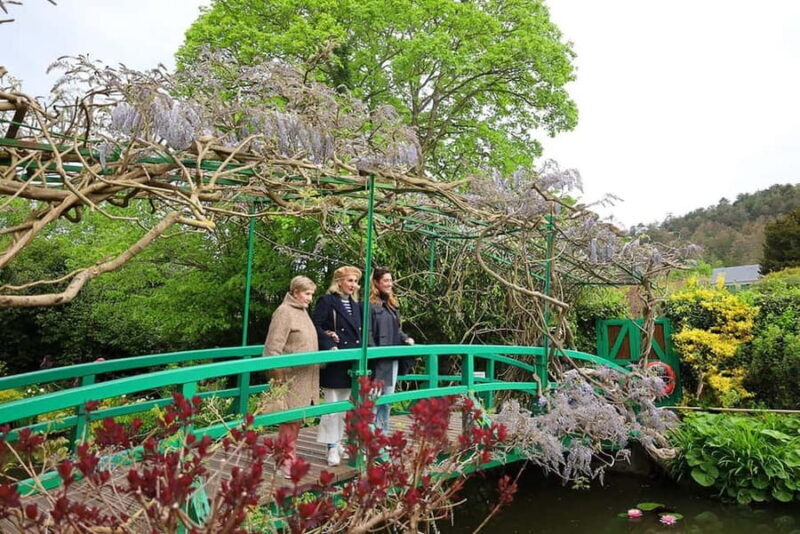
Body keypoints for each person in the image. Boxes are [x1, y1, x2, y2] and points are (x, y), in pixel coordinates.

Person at [263, 275, 319, 477]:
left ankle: (289, 455)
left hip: (305, 377)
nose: (310, 298)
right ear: (295, 292)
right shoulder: (284, 312)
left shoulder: (303, 312)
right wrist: (278, 380)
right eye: (307, 294)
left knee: (296, 420)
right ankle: (283, 461)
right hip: (289, 378)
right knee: (288, 421)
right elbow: (272, 349)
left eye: (311, 294)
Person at [312, 266, 363, 466]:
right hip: (336, 360)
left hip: (351, 362)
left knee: (347, 407)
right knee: (333, 406)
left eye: (355, 282)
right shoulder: (327, 301)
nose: (353, 285)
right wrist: (329, 341)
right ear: (339, 281)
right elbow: (316, 326)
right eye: (350, 281)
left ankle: (339, 441)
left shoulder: (357, 305)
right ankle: (331, 447)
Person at [368, 267, 415, 433]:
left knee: (387, 400)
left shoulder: (390, 304)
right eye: (385, 281)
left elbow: (396, 329)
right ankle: (369, 439)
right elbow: (367, 334)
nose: (389, 284)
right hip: (377, 362)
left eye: (390, 280)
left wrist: (405, 338)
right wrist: (374, 357)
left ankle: (382, 435)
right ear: (376, 283)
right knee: (373, 400)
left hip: (392, 358)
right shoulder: (369, 306)